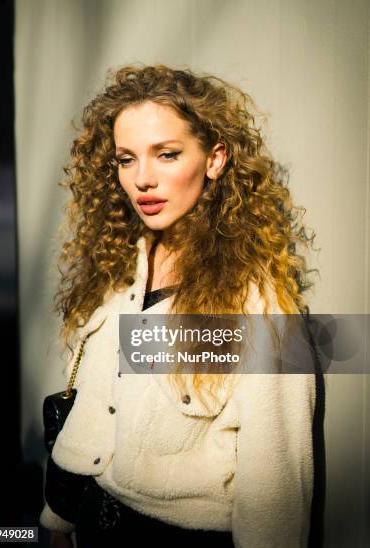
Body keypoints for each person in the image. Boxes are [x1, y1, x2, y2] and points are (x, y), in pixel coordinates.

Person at [39, 64, 318, 548]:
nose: (142, 179)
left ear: (214, 159)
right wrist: (56, 522)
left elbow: (274, 482)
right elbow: (88, 410)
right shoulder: (117, 269)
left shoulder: (257, 302)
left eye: (166, 154)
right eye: (127, 159)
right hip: (87, 523)